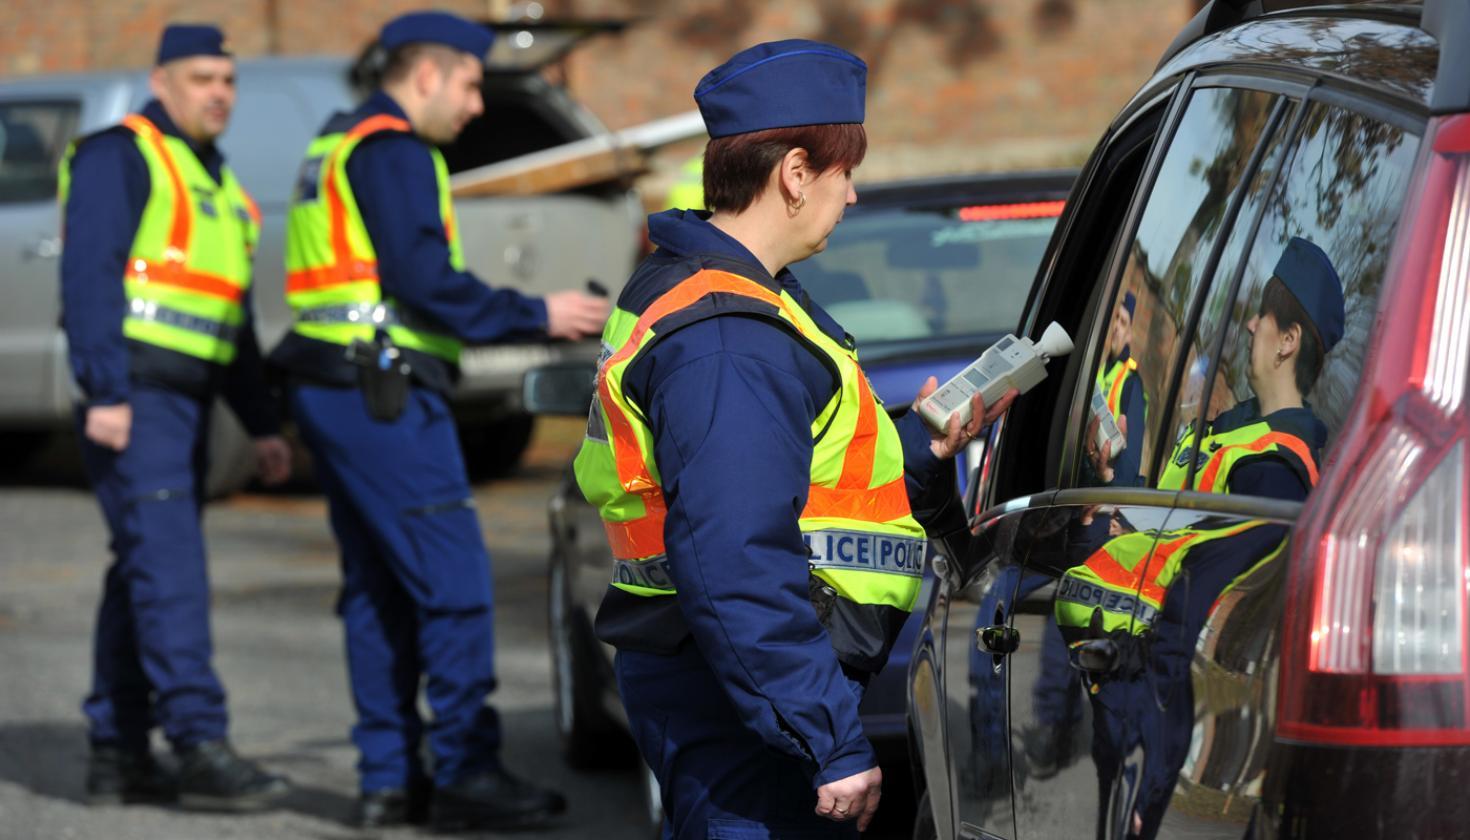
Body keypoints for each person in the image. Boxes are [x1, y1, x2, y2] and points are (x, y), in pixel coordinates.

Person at [573, 40, 1014, 837]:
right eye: (846, 173)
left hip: (723, 685)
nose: (852, 195)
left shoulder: (727, 297)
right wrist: (831, 739)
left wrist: (922, 447)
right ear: (797, 173)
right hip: (744, 705)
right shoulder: (727, 338)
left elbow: (794, 479)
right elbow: (733, 554)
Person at [268, 10, 608, 831]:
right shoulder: (394, 150)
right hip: (380, 391)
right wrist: (538, 311)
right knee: (453, 583)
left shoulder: (336, 140)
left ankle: (389, 782)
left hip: (337, 387)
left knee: (379, 590)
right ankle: (464, 769)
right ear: (426, 75)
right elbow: (424, 281)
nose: (475, 106)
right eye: (466, 85)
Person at [59, 23, 293, 811]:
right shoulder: (117, 154)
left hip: (189, 406)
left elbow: (232, 323)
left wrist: (260, 422)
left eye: (227, 79)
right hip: (137, 399)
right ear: (161, 82)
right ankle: (199, 742)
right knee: (171, 573)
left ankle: (115, 752)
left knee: (141, 573)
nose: (219, 93)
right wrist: (105, 391)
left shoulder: (218, 183)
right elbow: (88, 277)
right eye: (202, 78)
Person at [1055, 237, 1344, 839]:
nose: (1248, 325)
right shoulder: (1228, 432)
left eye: (1262, 316)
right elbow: (1156, 546)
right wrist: (1113, 486)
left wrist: (1151, 770)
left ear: (1288, 341)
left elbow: (1201, 627)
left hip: (1144, 711)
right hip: (1107, 688)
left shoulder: (1275, 472)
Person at [1086, 291, 1147, 486]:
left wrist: (1109, 478)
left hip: (1103, 488)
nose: (1115, 327)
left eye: (1123, 323)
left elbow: (1129, 466)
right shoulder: (1099, 371)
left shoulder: (1132, 383)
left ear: (1130, 335)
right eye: (1116, 319)